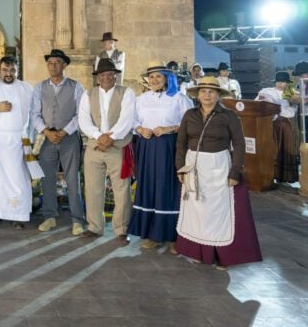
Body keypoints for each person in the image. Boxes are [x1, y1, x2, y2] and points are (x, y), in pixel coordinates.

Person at [175, 76, 262, 269]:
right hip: (193, 166)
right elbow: (180, 143)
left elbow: (239, 144)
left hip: (219, 166)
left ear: (218, 95)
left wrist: (235, 172)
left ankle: (223, 256)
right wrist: (180, 167)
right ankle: (199, 252)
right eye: (203, 91)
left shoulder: (229, 116)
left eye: (211, 91)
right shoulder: (189, 115)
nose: (207, 95)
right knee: (197, 210)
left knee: (218, 212)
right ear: (197, 94)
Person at [128, 61, 190, 251]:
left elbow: (188, 123)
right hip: (146, 145)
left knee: (167, 187)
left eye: (158, 76)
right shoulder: (141, 98)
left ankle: (172, 236)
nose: (154, 80)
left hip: (168, 145)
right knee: (149, 186)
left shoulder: (179, 98)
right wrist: (140, 129)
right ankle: (153, 235)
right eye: (151, 77)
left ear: (166, 78)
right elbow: (132, 120)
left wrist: (169, 128)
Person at [0, 56, 41, 229]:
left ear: (17, 70)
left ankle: (18, 215)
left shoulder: (26, 89)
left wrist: (32, 141)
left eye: (12, 70)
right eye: (5, 70)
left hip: (17, 141)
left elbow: (34, 114)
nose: (8, 73)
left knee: (18, 178)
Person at [78, 58, 136, 243]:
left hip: (117, 146)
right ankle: (95, 227)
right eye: (103, 75)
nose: (107, 77)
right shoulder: (88, 94)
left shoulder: (126, 93)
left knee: (121, 188)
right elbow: (83, 120)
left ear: (116, 76)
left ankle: (121, 229)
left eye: (111, 74)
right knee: (93, 188)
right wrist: (98, 136)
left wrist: (111, 137)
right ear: (97, 78)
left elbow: (127, 119)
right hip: (94, 146)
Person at [30, 49, 85, 235]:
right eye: (50, 63)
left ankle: (77, 219)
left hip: (68, 138)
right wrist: (46, 131)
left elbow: (81, 114)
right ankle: (49, 216)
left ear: (64, 65)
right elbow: (35, 114)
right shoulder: (40, 87)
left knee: (72, 179)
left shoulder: (76, 87)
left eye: (57, 63)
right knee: (48, 178)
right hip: (47, 139)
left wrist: (64, 131)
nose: (53, 66)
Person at [257, 71, 299, 183]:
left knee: (286, 148)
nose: (281, 84)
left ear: (287, 83)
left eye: (284, 82)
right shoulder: (267, 91)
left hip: (286, 124)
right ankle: (273, 175)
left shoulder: (292, 93)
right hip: (271, 124)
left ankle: (286, 176)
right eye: (279, 81)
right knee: (273, 149)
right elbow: (258, 103)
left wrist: (293, 99)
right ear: (275, 82)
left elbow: (294, 107)